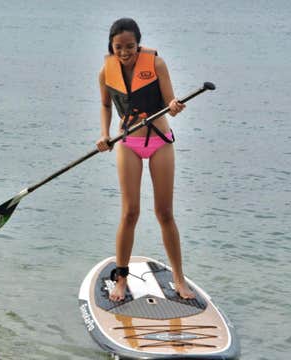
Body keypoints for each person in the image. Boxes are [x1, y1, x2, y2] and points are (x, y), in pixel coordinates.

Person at [95, 18, 195, 301]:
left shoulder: (156, 65)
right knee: (130, 212)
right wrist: (104, 135)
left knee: (164, 213)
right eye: (119, 48)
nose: (125, 52)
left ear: (138, 44)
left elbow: (170, 103)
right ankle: (121, 279)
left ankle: (178, 278)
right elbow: (105, 104)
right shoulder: (106, 72)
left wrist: (174, 107)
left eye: (130, 46)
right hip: (128, 143)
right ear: (111, 47)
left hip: (160, 142)